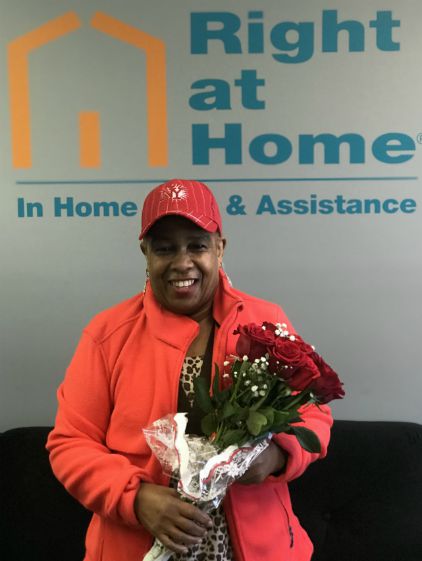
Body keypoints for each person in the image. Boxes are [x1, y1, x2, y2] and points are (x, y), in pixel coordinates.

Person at [47, 179, 333, 561]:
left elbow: (313, 414)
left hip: (258, 548)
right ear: (145, 253)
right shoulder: (107, 334)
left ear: (220, 247)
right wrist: (136, 498)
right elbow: (70, 443)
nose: (182, 262)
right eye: (165, 249)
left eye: (197, 245)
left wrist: (276, 457)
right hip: (137, 543)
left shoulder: (266, 321)